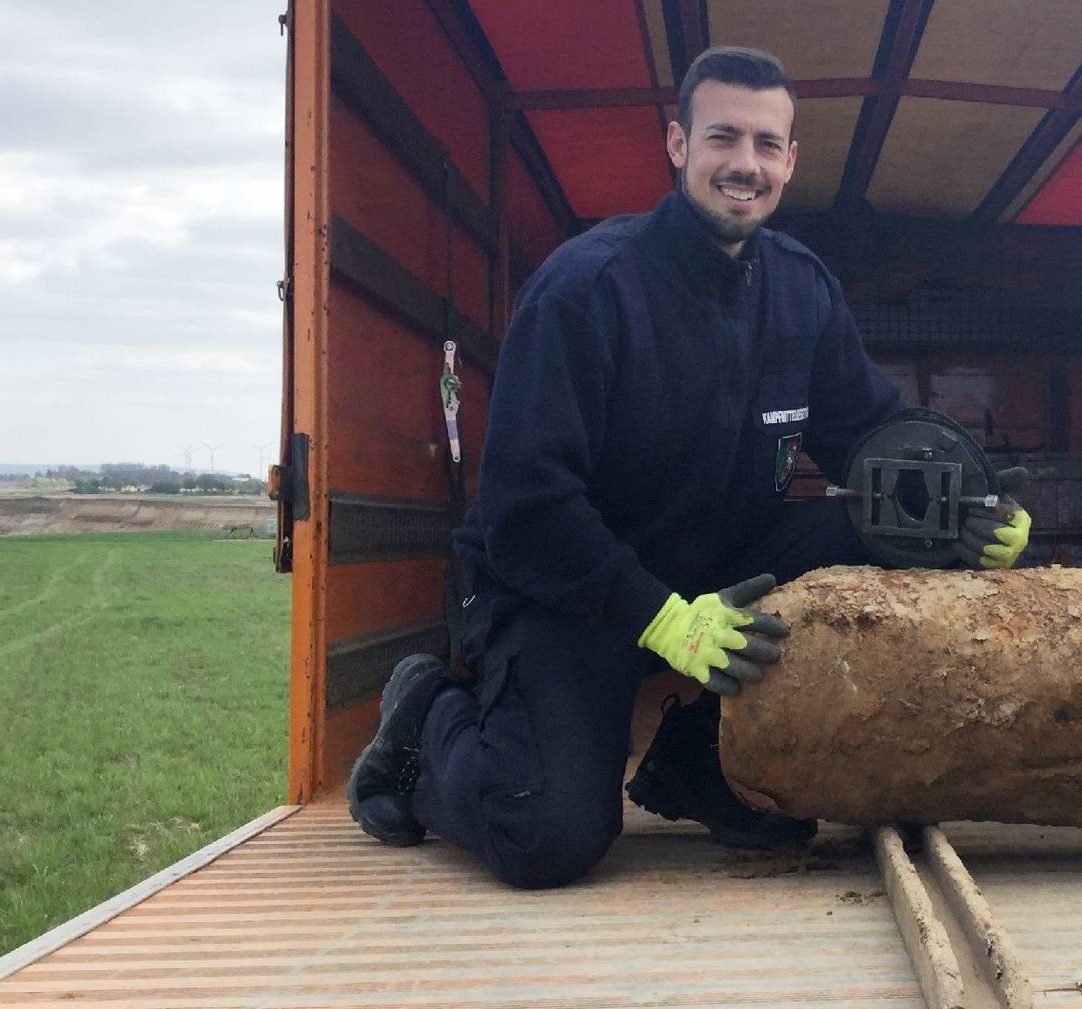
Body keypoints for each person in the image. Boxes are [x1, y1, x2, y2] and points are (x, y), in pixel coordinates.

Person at [345, 46, 1032, 888]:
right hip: (566, 584)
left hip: (715, 560)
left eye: (766, 144)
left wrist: (974, 508)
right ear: (677, 145)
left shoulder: (801, 292)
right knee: (548, 832)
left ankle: (700, 760)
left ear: (789, 160)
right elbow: (528, 506)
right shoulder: (585, 291)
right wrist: (662, 618)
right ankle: (423, 724)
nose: (745, 163)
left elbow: (874, 439)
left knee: (885, 528)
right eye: (723, 137)